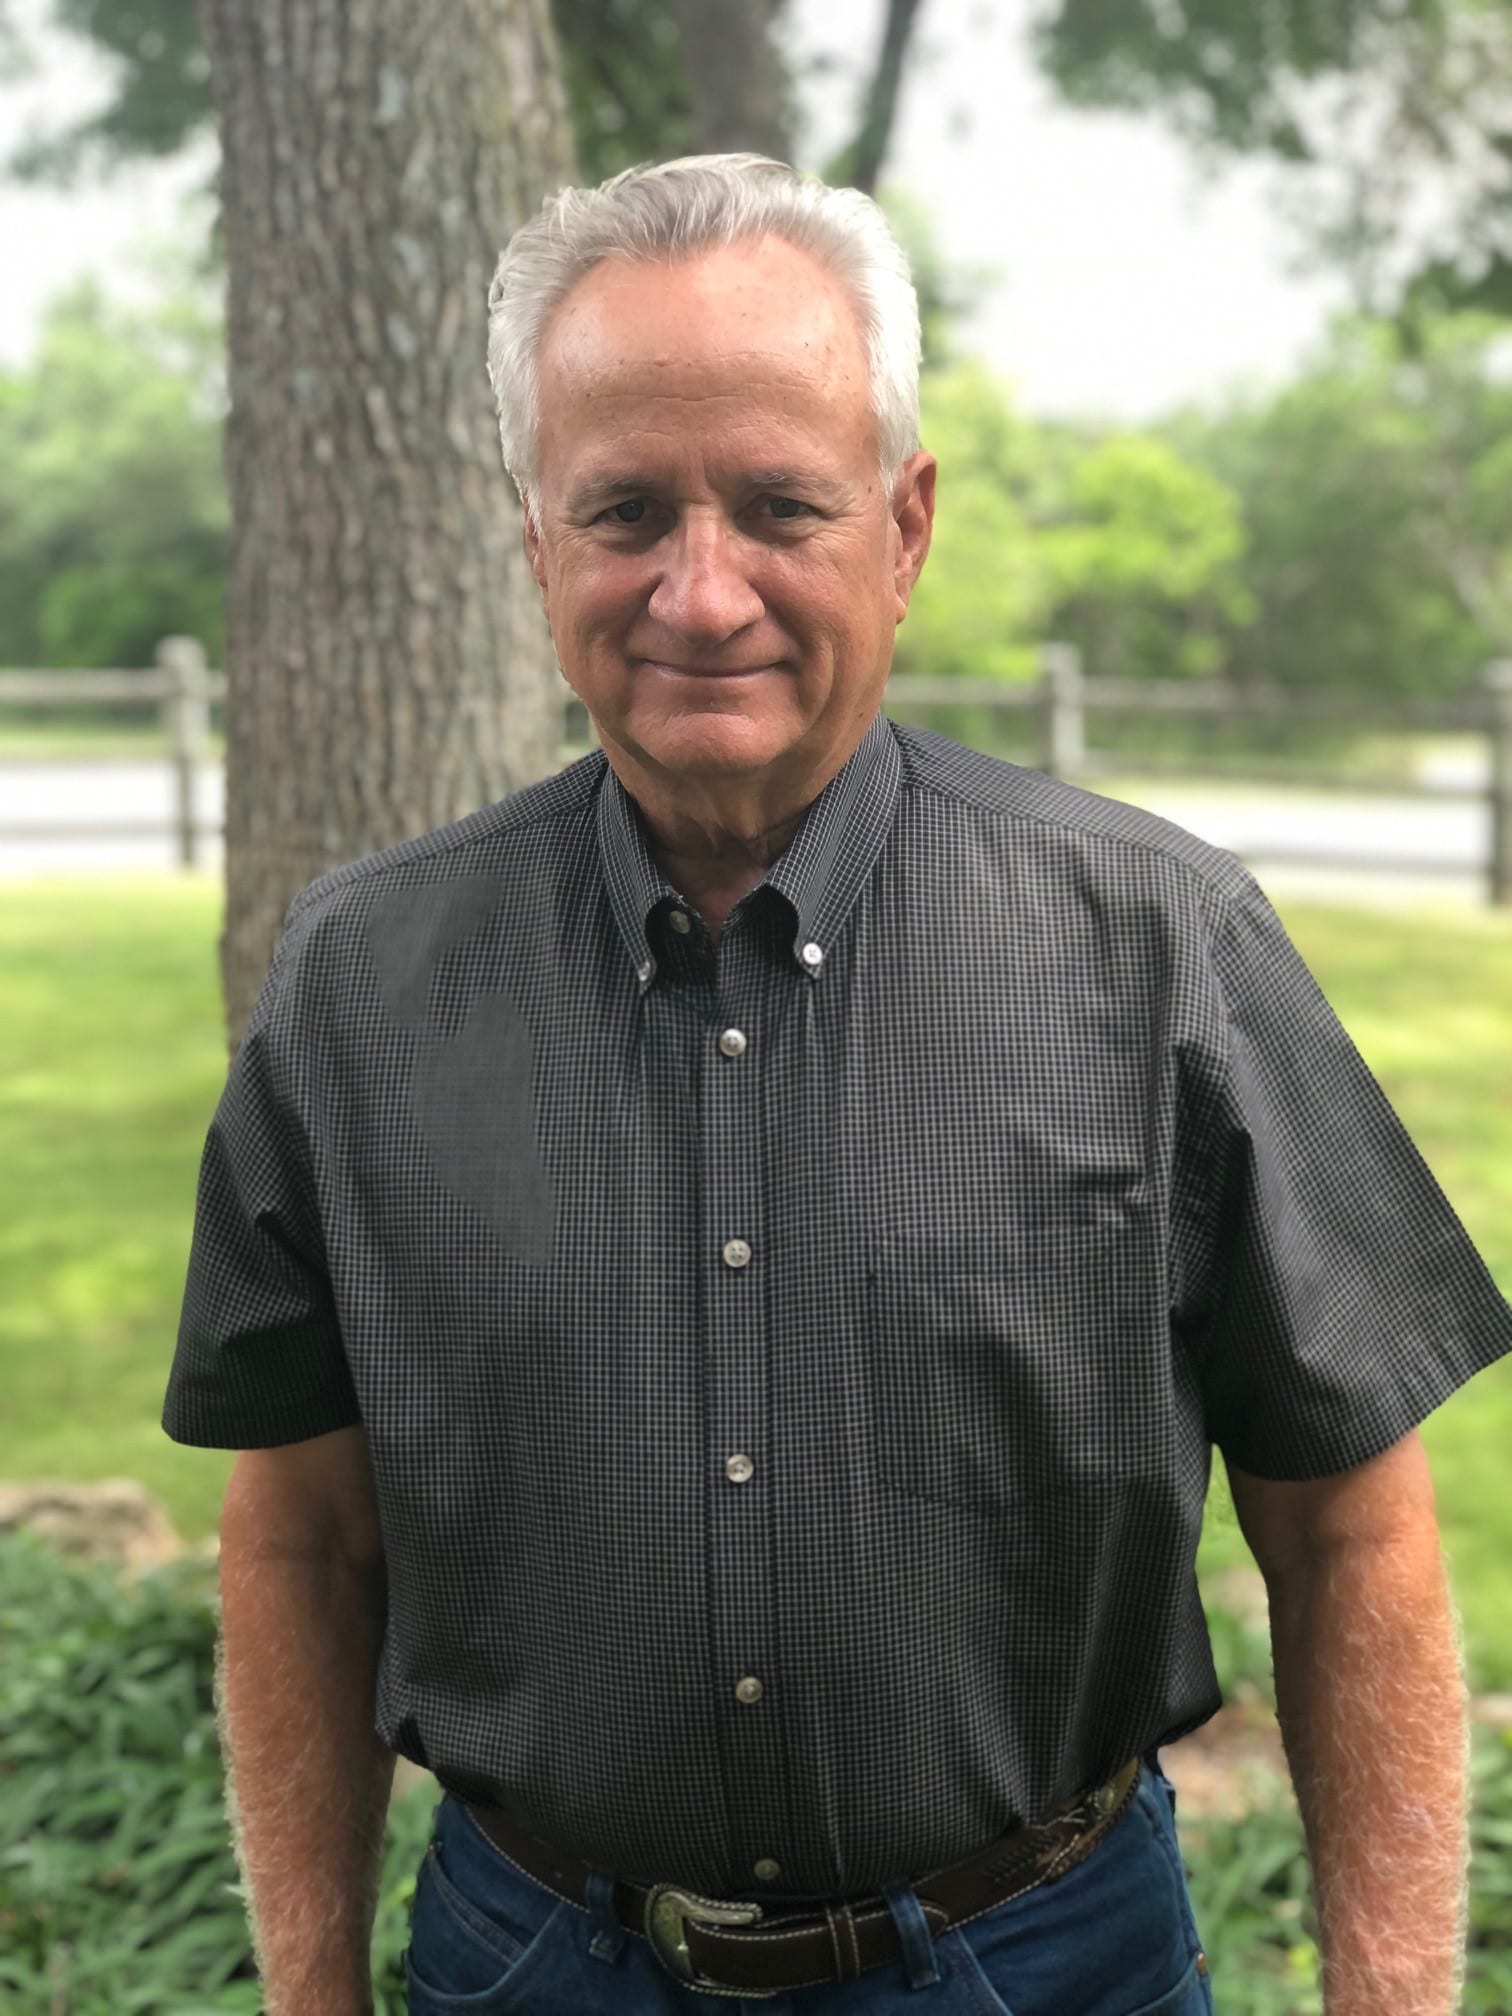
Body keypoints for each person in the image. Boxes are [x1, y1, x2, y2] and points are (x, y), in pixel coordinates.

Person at [161, 153, 1512, 2016]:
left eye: (780, 506)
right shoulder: (360, 988)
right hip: (534, 1965)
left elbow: (1354, 1535)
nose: (701, 595)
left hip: (1046, 1966)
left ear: (906, 520)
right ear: (531, 539)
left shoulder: (1165, 948)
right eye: (625, 509)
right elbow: (298, 1541)